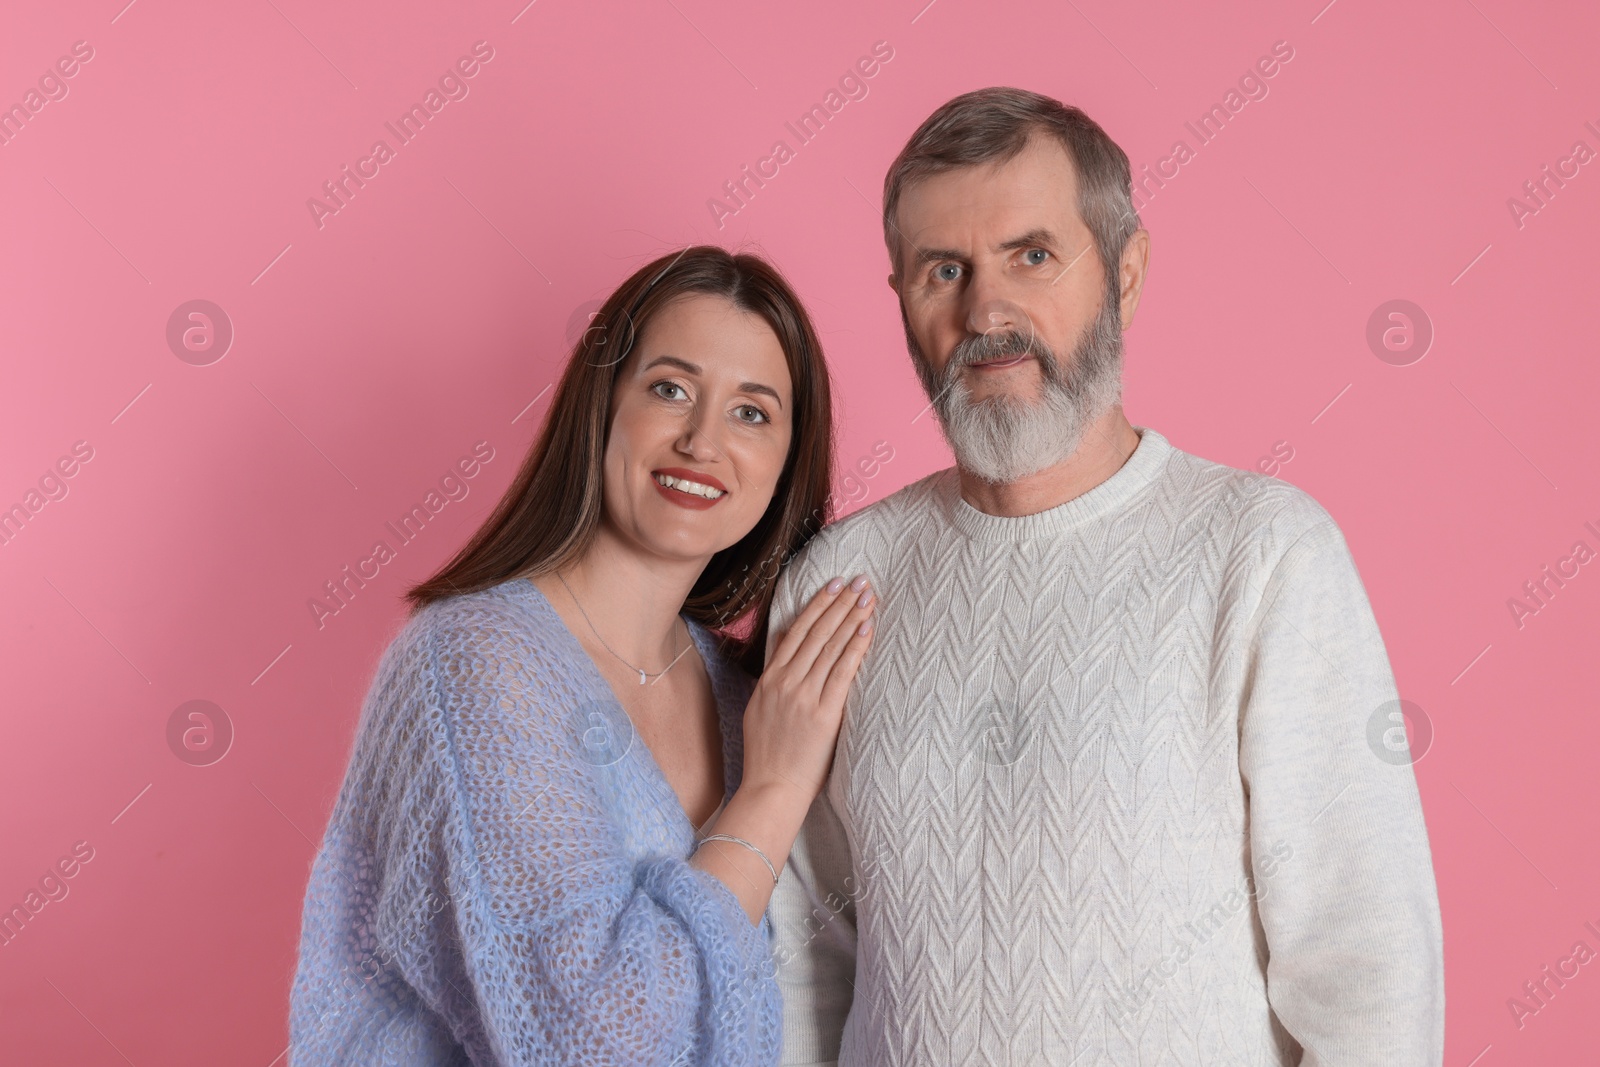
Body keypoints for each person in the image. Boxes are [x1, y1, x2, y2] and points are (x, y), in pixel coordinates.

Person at [766, 88, 1445, 1066]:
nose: (983, 311)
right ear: (901, 299)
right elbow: (807, 958)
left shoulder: (1260, 554)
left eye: (1030, 255)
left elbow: (1366, 968)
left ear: (1123, 274)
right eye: (941, 270)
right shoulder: (836, 582)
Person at [287, 245, 879, 1066]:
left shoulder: (752, 692)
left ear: (784, 466)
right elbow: (586, 1041)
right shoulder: (470, 665)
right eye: (670, 389)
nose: (703, 441)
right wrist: (772, 793)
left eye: (753, 412)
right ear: (603, 407)